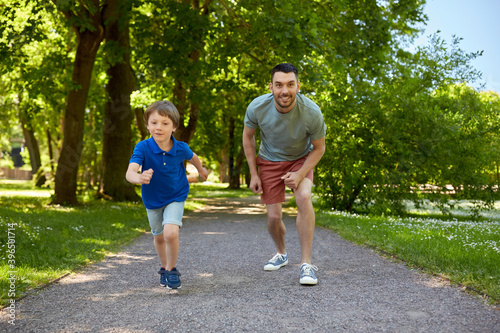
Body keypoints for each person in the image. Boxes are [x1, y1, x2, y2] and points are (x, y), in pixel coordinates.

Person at [242, 63, 326, 285]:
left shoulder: (312, 112)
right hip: (269, 160)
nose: (284, 90)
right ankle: (282, 253)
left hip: (300, 158)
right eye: (279, 85)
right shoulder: (257, 107)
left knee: (304, 197)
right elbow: (248, 137)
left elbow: (319, 148)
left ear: (298, 86)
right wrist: (253, 173)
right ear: (271, 87)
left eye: (290, 84)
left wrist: (299, 174)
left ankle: (306, 264)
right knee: (273, 218)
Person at [126, 100, 208, 289]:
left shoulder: (180, 147)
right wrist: (139, 178)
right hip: (152, 199)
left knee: (171, 233)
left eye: (165, 123)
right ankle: (163, 267)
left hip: (175, 195)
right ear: (147, 125)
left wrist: (201, 170)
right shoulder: (143, 147)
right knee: (159, 236)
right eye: (154, 122)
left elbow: (192, 156)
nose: (158, 128)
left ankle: (171, 270)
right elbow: (130, 171)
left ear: (174, 127)